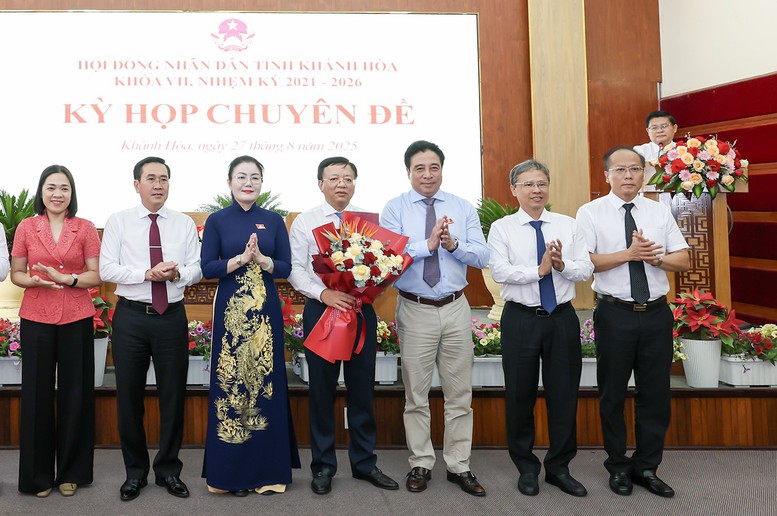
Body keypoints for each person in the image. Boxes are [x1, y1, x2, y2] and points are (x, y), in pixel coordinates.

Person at [575, 146, 690, 498]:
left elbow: (683, 259)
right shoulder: (590, 212)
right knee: (612, 392)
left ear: (645, 174)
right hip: (615, 313)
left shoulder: (658, 211)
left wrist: (655, 258)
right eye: (621, 170)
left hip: (656, 313)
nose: (629, 175)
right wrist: (629, 253)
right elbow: (585, 262)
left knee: (655, 393)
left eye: (636, 169)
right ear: (606, 175)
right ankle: (618, 465)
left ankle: (646, 467)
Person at [380, 140, 489, 497]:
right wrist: (426, 244)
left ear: (443, 169)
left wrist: (453, 245)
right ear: (408, 172)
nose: (428, 175)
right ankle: (421, 462)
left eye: (434, 168)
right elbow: (388, 255)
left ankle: (459, 465)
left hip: (456, 307)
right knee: (416, 394)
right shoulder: (394, 209)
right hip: (415, 307)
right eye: (420, 169)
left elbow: (483, 255)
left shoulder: (461, 207)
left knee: (460, 393)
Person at [288, 156, 398, 495]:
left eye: (348, 178)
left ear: (355, 183)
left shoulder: (367, 223)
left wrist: (364, 288)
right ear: (320, 184)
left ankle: (365, 464)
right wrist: (326, 294)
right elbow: (296, 270)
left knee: (362, 390)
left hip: (361, 311)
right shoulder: (305, 222)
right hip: (322, 312)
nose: (341, 184)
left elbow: (382, 264)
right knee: (321, 392)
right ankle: (323, 467)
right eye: (334, 178)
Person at [487, 159, 593, 497]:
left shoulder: (568, 224)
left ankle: (559, 468)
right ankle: (527, 467)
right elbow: (501, 272)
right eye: (529, 184)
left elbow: (585, 269)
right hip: (520, 318)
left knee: (564, 396)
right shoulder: (502, 228)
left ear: (549, 188)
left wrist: (562, 264)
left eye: (542, 184)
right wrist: (540, 269)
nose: (537, 190)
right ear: (514, 189)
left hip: (561, 318)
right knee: (520, 396)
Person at [99, 156, 202, 502]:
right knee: (129, 397)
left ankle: (168, 470)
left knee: (173, 396)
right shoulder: (119, 222)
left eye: (164, 179)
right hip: (131, 316)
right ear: (136, 184)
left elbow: (196, 268)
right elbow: (107, 269)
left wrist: (177, 275)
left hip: (171, 315)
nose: (158, 185)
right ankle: (135, 473)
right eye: (151, 178)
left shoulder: (184, 223)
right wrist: (146, 274)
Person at [200, 155, 300, 496]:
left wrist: (263, 260)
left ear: (262, 183)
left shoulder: (273, 221)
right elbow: (207, 267)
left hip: (265, 313)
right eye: (241, 176)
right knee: (231, 383)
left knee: (264, 383)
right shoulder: (217, 220)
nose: (248, 182)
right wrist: (240, 260)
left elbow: (286, 267)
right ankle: (229, 475)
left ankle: (266, 474)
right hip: (230, 310)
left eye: (255, 177)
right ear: (229, 182)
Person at [10, 165, 102, 497]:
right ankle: (37, 477)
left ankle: (70, 472)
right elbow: (16, 272)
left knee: (75, 393)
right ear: (41, 192)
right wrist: (31, 281)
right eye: (51, 187)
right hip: (36, 315)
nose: (57, 194)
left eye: (64, 188)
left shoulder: (86, 228)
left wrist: (69, 280)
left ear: (72, 194)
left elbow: (96, 275)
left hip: (76, 316)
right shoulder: (26, 227)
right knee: (35, 395)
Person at [633, 110, 678, 190]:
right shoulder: (639, 151)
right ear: (647, 131)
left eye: (664, 126)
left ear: (674, 128)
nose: (659, 131)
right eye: (654, 128)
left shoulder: (684, 151)